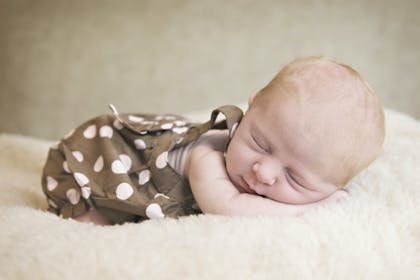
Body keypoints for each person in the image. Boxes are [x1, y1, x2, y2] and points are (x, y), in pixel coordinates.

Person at [41, 56, 385, 225]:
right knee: (94, 221)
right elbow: (230, 209)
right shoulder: (206, 157)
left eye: (294, 177)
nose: (262, 171)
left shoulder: (267, 163)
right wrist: (315, 205)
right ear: (250, 109)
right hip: (96, 158)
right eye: (260, 143)